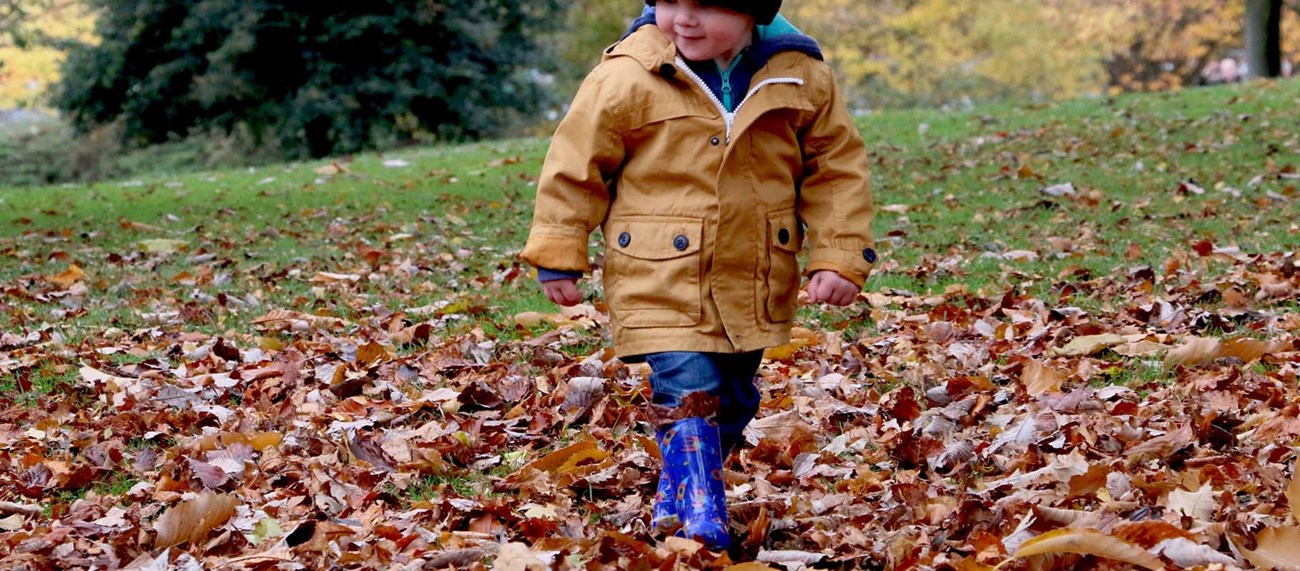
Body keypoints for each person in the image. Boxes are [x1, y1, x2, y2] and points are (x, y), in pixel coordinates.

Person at [518, 0, 876, 551]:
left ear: (752, 10)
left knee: (734, 398)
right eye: (669, 1)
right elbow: (575, 164)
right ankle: (705, 513)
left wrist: (839, 255)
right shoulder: (627, 74)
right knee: (689, 387)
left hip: (752, 276)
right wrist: (560, 248)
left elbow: (835, 172)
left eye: (705, 6)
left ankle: (674, 489)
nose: (683, 18)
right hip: (657, 272)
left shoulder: (799, 75)